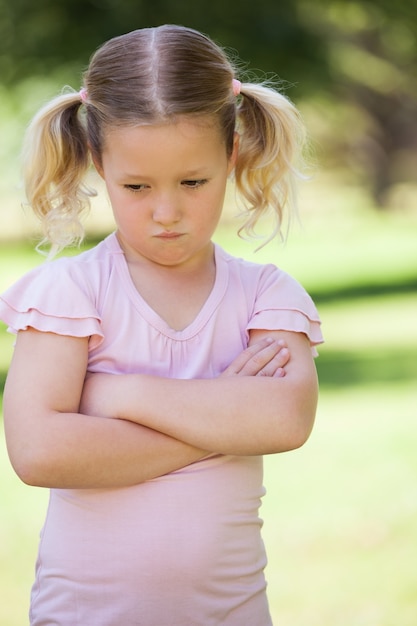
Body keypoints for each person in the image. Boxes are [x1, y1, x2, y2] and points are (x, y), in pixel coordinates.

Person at [0, 24, 323, 626]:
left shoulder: (264, 295)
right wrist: (226, 417)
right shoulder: (73, 293)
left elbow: (283, 418)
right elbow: (39, 451)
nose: (167, 213)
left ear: (232, 155)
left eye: (193, 182)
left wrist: (117, 395)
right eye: (137, 186)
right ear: (99, 163)